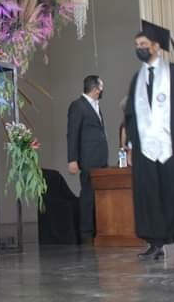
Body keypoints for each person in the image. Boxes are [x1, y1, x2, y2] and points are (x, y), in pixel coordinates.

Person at [124, 21, 174, 261]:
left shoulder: (172, 73)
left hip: (170, 142)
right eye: (137, 45)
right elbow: (130, 114)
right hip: (144, 147)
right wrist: (130, 145)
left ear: (156, 46)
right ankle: (155, 242)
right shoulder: (136, 79)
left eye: (143, 44)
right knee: (148, 194)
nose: (139, 48)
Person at [67, 75, 109, 242]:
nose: (102, 90)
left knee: (99, 197)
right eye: (101, 87)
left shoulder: (96, 106)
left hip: (100, 159)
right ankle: (86, 234)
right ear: (95, 88)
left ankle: (99, 231)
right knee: (88, 196)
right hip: (88, 159)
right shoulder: (78, 106)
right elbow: (72, 133)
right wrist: (72, 159)